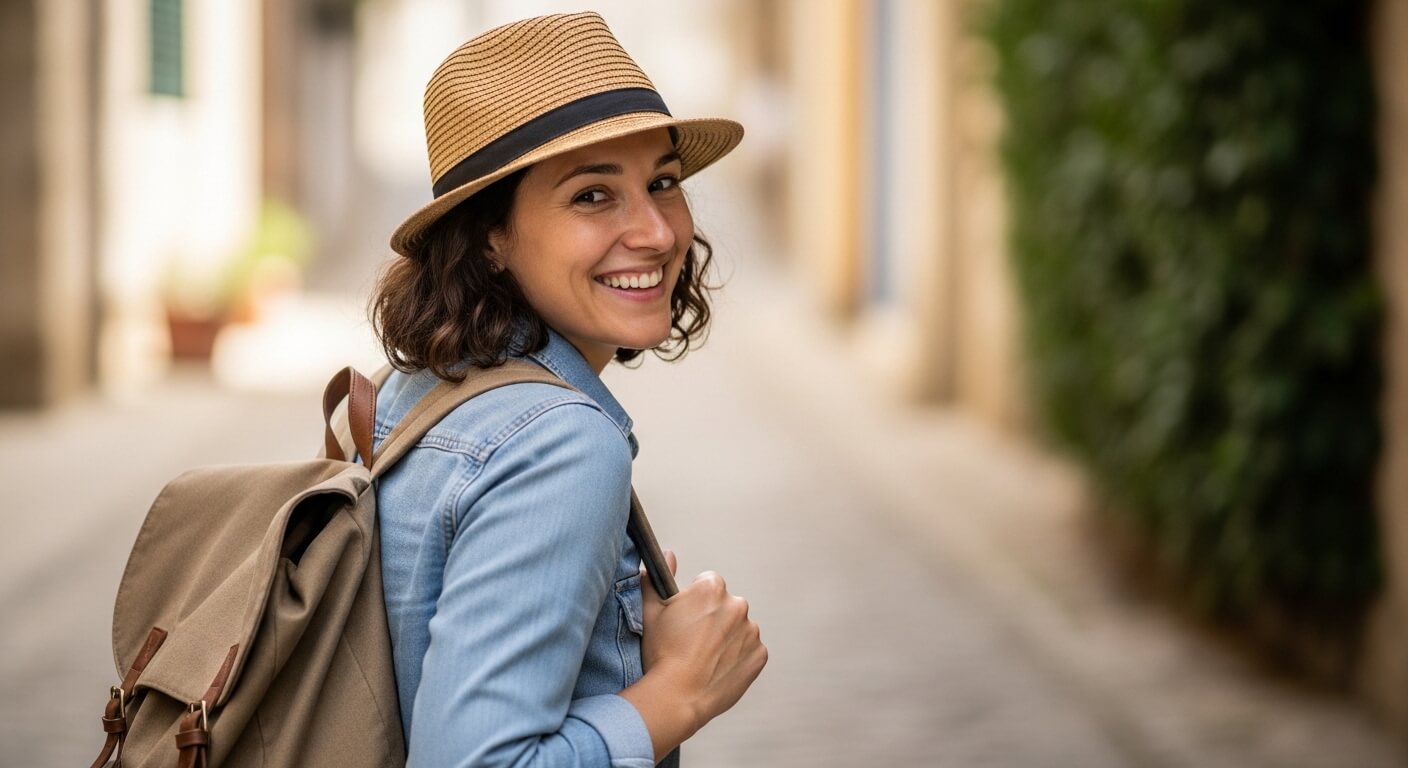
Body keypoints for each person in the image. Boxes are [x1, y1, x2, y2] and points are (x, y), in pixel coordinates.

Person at [367, 12, 767, 768]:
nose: (655, 231)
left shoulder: (419, 388)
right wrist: (679, 691)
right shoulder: (559, 441)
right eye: (592, 196)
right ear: (492, 235)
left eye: (662, 182)